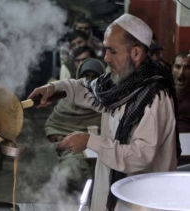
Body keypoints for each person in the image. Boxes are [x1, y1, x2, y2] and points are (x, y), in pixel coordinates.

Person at [28, 13, 180, 211]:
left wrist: (89, 141)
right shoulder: (119, 81)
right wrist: (53, 89)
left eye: (112, 51)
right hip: (113, 186)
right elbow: (86, 88)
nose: (105, 57)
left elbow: (140, 156)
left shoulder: (154, 95)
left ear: (135, 53)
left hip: (142, 197)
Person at [45, 58, 105, 195]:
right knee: (67, 174)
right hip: (71, 153)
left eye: (94, 76)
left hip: (102, 151)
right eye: (86, 76)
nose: (90, 80)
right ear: (79, 78)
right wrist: (61, 139)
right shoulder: (67, 103)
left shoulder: (107, 104)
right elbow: (52, 125)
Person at [172, 51, 190, 132]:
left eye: (187, 68)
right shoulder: (161, 95)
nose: (181, 72)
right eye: (177, 67)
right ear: (172, 69)